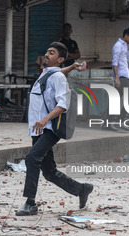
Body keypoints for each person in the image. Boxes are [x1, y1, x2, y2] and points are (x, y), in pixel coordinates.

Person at [15, 42, 93, 216]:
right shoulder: (48, 74)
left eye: (51, 53)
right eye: (46, 51)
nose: (46, 55)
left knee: (32, 158)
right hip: (39, 129)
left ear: (59, 59)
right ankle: (82, 189)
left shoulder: (57, 77)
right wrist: (72, 66)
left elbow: (62, 105)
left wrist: (44, 120)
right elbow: (56, 74)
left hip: (49, 128)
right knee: (49, 172)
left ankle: (30, 203)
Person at [104, 27, 129, 131]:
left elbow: (126, 58)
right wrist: (117, 78)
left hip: (125, 76)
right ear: (126, 35)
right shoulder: (118, 45)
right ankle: (115, 122)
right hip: (121, 77)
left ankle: (110, 123)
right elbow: (115, 62)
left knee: (119, 99)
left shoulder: (123, 45)